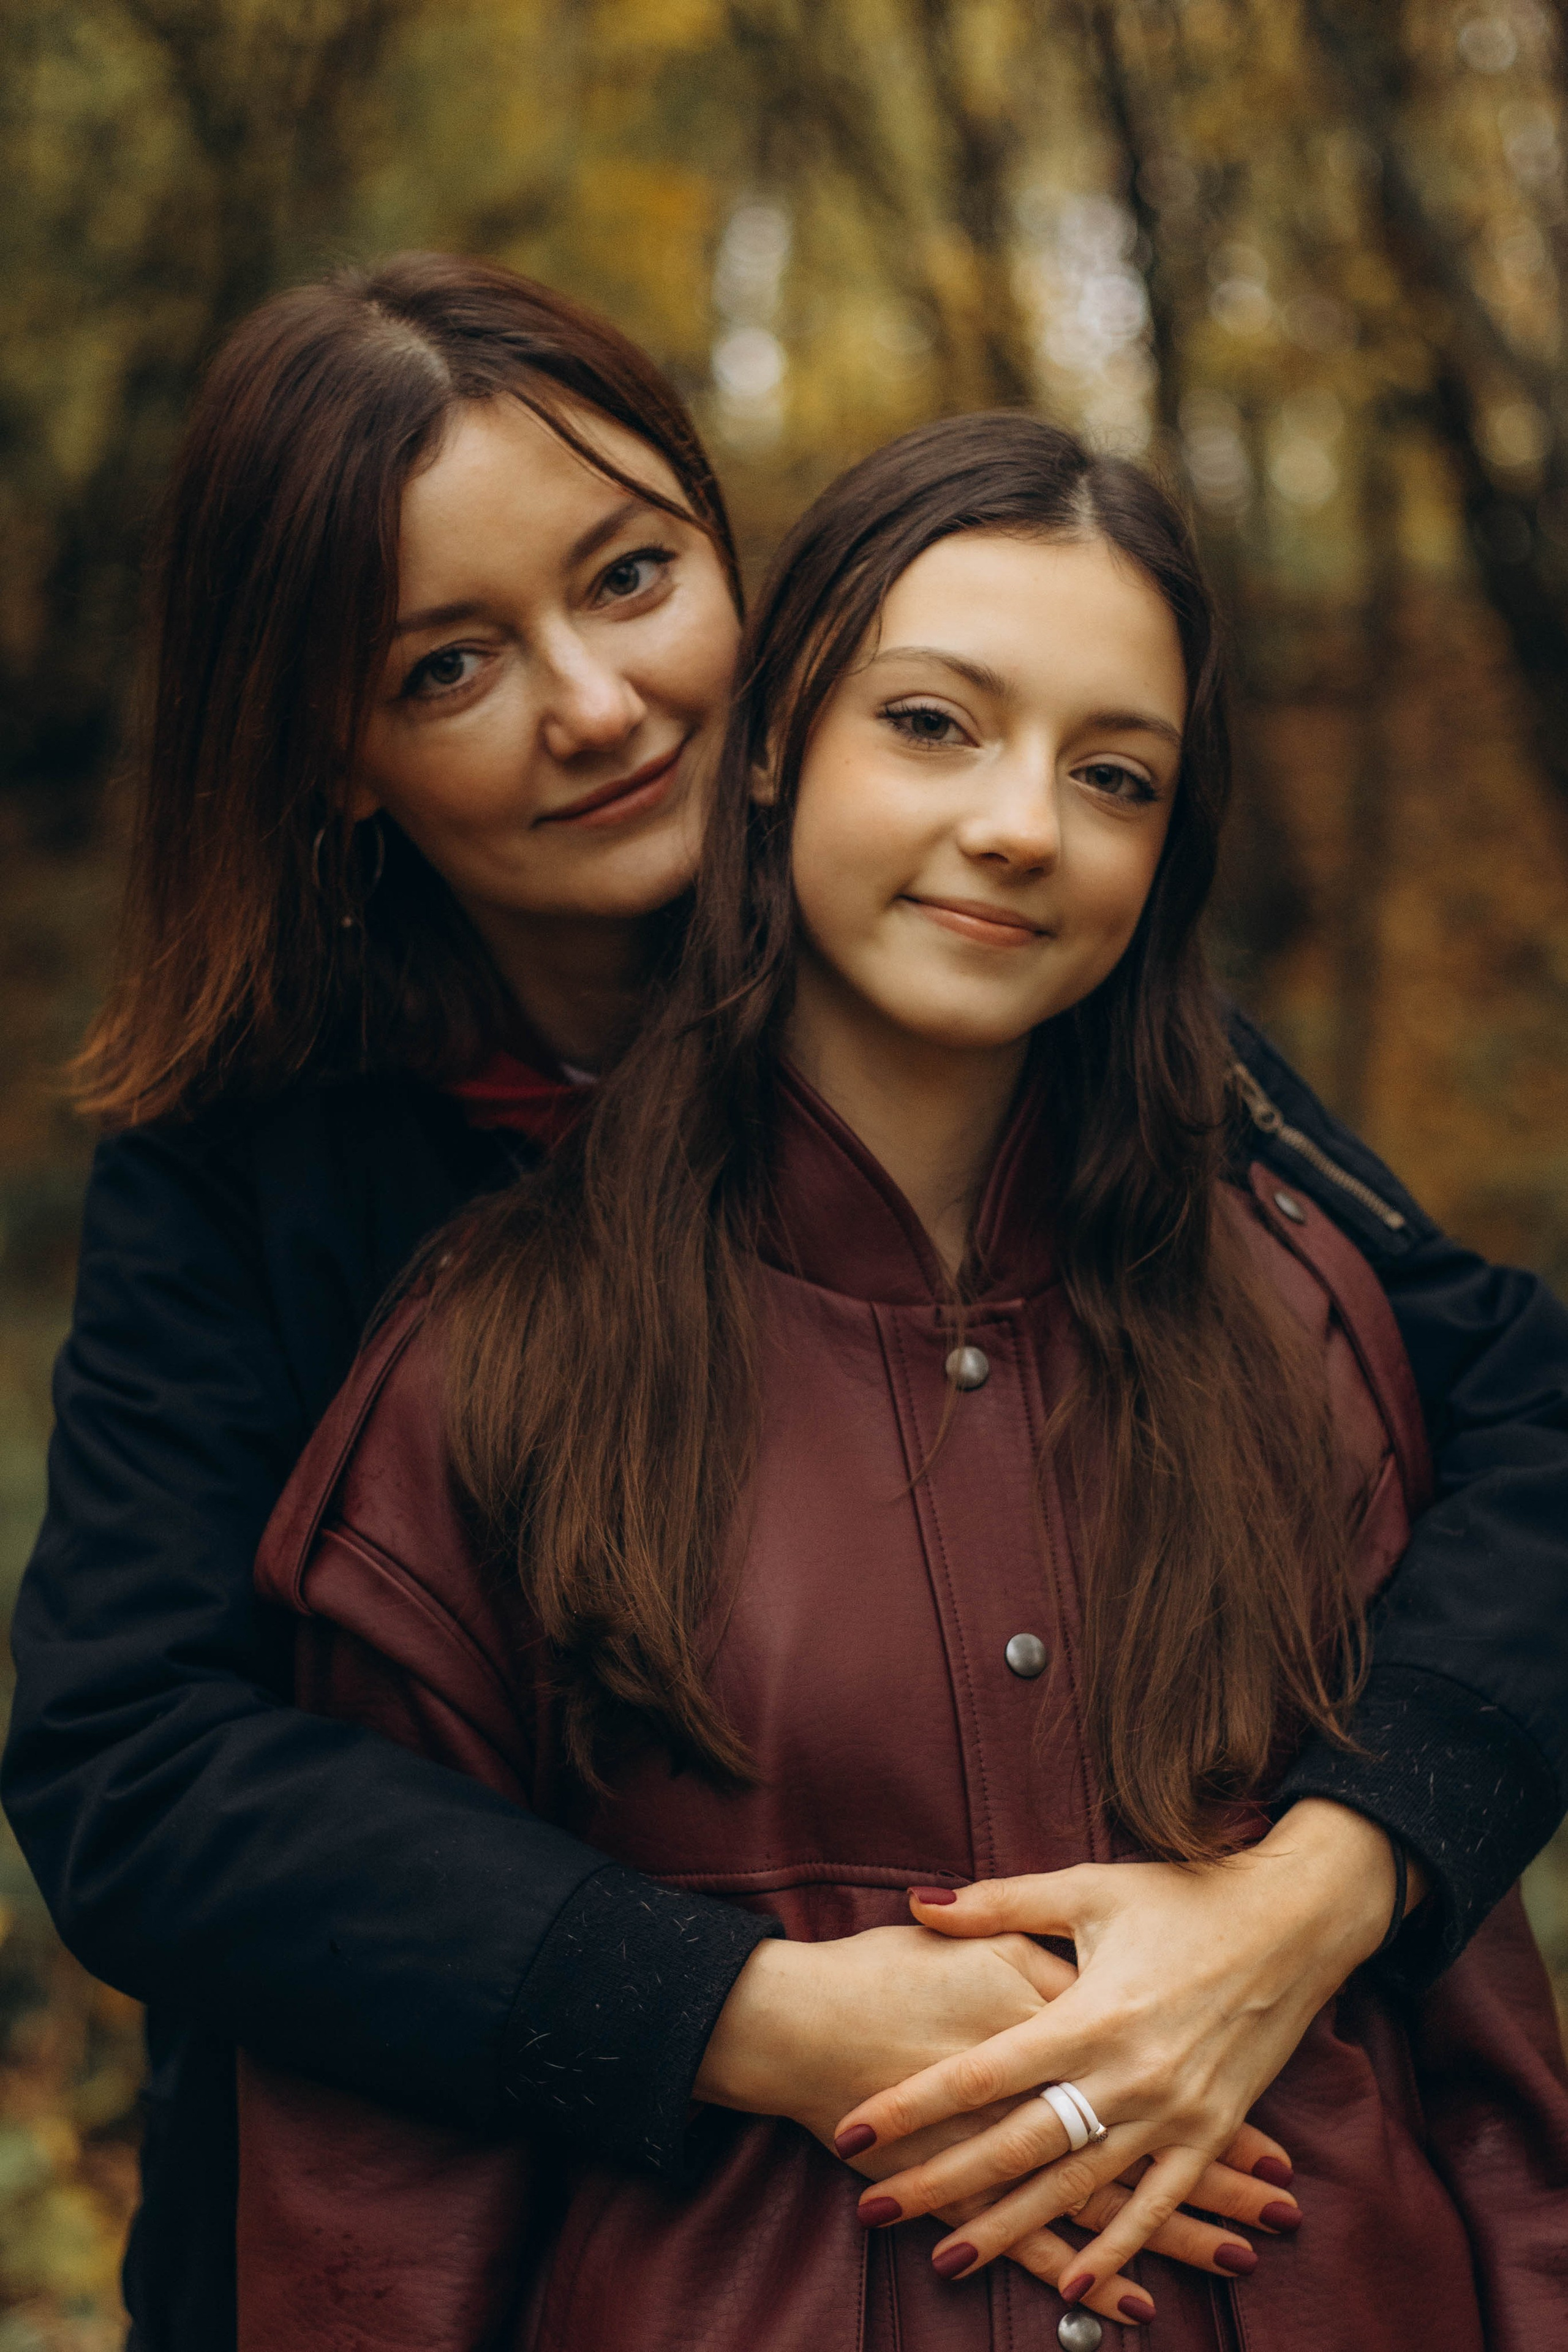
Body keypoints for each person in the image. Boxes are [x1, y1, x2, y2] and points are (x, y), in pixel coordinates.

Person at [3, 257, 1564, 2350]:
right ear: (331, 754)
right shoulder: (275, 1159)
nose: (597, 701)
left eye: (635, 577)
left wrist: (1311, 1887)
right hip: (515, 2218)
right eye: (450, 664)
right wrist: (746, 2010)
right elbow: (136, 1767)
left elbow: (1518, 1419)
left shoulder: (1037, 1023)